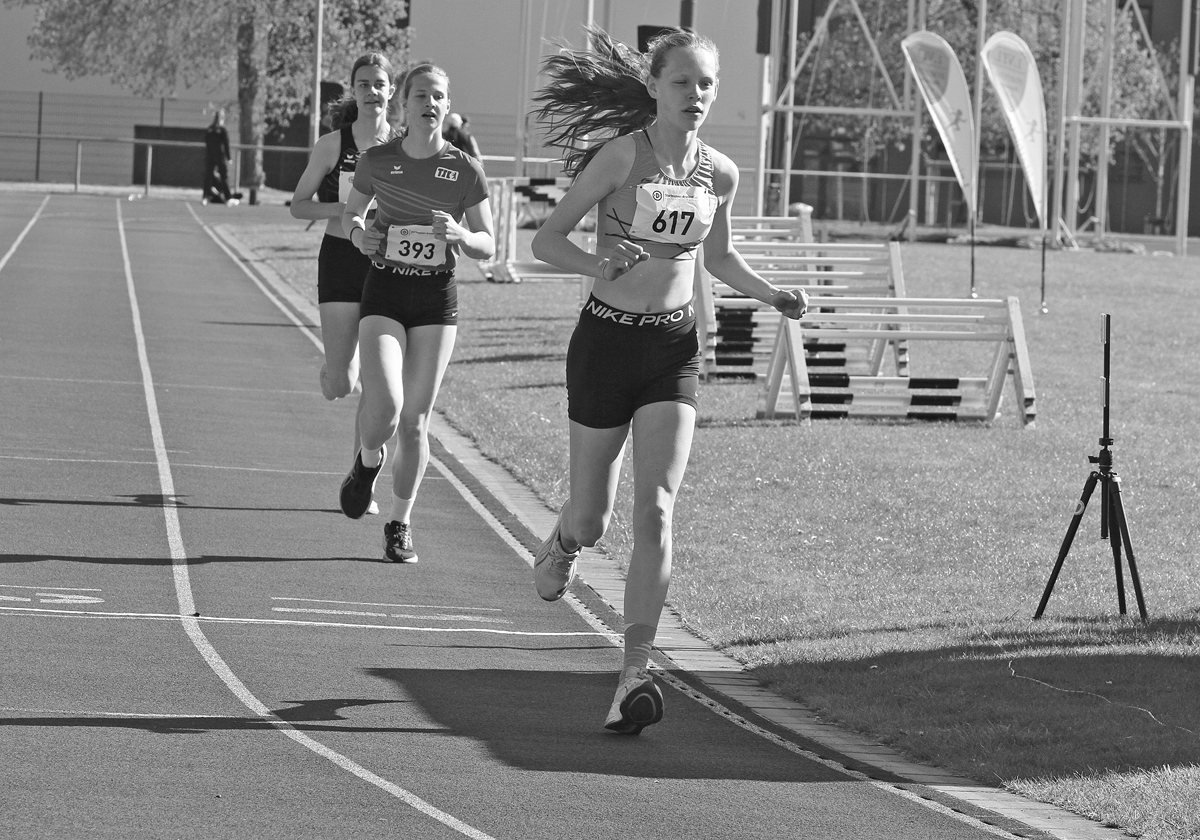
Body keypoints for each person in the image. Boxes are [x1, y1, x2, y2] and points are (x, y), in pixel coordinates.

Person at [529, 27, 808, 735]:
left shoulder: (721, 173)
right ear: (654, 86)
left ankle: (634, 673)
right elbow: (547, 239)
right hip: (605, 343)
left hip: (673, 349)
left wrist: (773, 295)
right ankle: (564, 541)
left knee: (656, 508)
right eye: (682, 82)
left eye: (706, 84)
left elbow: (720, 257)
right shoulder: (621, 156)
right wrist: (598, 263)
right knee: (592, 519)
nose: (696, 94)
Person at [340, 63, 494, 563]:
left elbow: (488, 244)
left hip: (435, 297)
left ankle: (399, 523)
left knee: (415, 421)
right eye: (421, 95)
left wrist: (462, 235)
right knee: (385, 407)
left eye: (439, 96)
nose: (430, 103)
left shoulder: (466, 169)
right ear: (403, 104)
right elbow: (352, 214)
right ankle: (367, 463)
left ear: (448, 106)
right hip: (385, 289)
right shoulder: (378, 160)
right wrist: (360, 235)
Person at [290, 53, 400, 516]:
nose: (372, 91)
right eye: (364, 84)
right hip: (339, 259)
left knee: (375, 383)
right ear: (353, 91)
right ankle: (335, 367)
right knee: (342, 382)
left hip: (385, 264)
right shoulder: (332, 145)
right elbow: (298, 204)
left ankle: (361, 480)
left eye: (379, 84)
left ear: (391, 91)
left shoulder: (403, 145)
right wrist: (342, 210)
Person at [202, 109, 236, 205]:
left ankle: (205, 197)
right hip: (219, 156)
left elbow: (207, 143)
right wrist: (229, 157)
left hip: (210, 156)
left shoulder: (210, 129)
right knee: (223, 177)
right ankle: (227, 197)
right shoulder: (221, 130)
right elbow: (226, 144)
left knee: (208, 177)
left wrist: (208, 154)